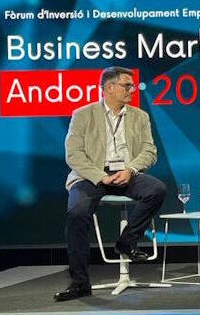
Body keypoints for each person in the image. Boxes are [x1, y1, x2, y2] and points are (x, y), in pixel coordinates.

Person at [56, 66, 167, 302]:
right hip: (90, 175)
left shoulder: (140, 116)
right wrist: (100, 176)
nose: (132, 90)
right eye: (127, 85)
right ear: (109, 88)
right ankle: (80, 284)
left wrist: (130, 170)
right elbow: (74, 155)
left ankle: (128, 241)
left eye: (132, 86)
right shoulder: (82, 115)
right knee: (77, 213)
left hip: (126, 173)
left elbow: (149, 151)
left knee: (156, 190)